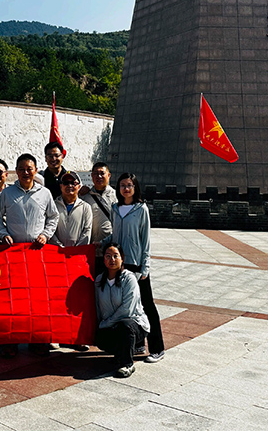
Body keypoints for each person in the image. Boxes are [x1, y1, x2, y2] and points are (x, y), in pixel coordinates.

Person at [0, 153, 59, 357]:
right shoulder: (8, 193)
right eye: (21, 169)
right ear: (16, 171)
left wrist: (45, 235)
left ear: (35, 170)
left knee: (37, 298)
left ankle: (37, 339)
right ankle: (11, 340)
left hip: (37, 254)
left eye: (29, 169)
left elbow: (53, 217)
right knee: (13, 298)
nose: (25, 172)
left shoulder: (44, 193)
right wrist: (3, 234)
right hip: (13, 255)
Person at [107, 172, 165, 363]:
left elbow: (145, 240)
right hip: (119, 264)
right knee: (128, 305)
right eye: (122, 185)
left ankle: (157, 348)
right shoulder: (115, 208)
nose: (126, 188)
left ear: (135, 188)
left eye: (129, 185)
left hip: (136, 264)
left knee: (147, 305)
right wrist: (101, 243)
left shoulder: (141, 209)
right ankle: (138, 343)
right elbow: (114, 235)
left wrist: (145, 268)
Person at [95, 243, 149, 378]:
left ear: (122, 258)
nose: (112, 260)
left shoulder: (129, 278)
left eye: (116, 256)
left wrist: (106, 323)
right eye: (108, 256)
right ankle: (120, 353)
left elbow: (127, 310)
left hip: (134, 324)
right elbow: (97, 306)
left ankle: (127, 364)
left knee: (125, 326)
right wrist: (99, 325)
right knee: (99, 337)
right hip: (112, 324)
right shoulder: (99, 280)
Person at [79, 161, 115, 270]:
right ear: (91, 176)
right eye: (95, 174)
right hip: (91, 248)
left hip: (110, 249)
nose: (99, 176)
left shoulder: (116, 196)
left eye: (102, 173)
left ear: (109, 175)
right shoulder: (85, 197)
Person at [50, 171, 92, 248]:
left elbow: (87, 231)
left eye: (73, 183)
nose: (69, 185)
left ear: (79, 186)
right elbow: (49, 227)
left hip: (77, 252)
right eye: (66, 183)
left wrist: (76, 249)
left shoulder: (86, 207)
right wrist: (60, 247)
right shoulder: (53, 205)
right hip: (56, 251)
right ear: (61, 186)